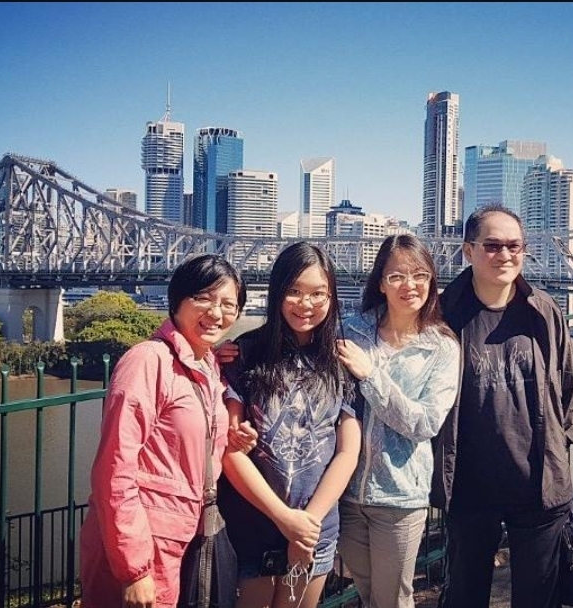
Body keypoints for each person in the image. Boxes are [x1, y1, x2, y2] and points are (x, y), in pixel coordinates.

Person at [79, 253, 253, 608]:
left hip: (182, 537)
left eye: (228, 304)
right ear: (177, 300)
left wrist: (230, 435)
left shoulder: (205, 366)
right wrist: (135, 570)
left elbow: (187, 444)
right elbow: (114, 468)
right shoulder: (147, 361)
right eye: (203, 298)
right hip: (142, 542)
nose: (216, 313)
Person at [431, 204, 573, 608]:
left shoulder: (544, 309)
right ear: (468, 250)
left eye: (514, 246)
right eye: (492, 245)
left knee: (540, 597)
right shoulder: (443, 314)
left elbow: (567, 385)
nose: (505, 255)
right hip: (467, 484)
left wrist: (561, 449)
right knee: (464, 596)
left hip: (537, 483)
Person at [217, 241, 362, 608]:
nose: (306, 304)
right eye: (294, 292)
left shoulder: (340, 361)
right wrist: (285, 519)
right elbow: (231, 449)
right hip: (256, 522)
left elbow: (348, 451)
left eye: (318, 293)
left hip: (316, 530)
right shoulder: (245, 353)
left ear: (332, 298)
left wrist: (305, 526)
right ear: (277, 292)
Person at [335, 234, 461, 608]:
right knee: (367, 593)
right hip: (344, 492)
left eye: (420, 275)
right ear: (380, 282)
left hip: (401, 497)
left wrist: (370, 375)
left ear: (432, 281)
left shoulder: (441, 347)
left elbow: (425, 424)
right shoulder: (351, 330)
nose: (410, 285)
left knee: (392, 599)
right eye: (396, 277)